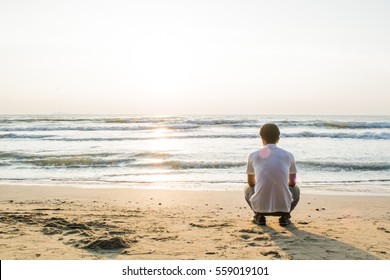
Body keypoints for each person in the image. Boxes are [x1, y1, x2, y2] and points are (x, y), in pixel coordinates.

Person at [244, 123, 300, 226]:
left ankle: (259, 216)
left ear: (262, 138)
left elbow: (251, 183)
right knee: (296, 189)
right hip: (284, 207)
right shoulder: (288, 155)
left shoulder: (253, 155)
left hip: (260, 207)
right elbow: (292, 183)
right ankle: (285, 217)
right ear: (278, 139)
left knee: (247, 188)